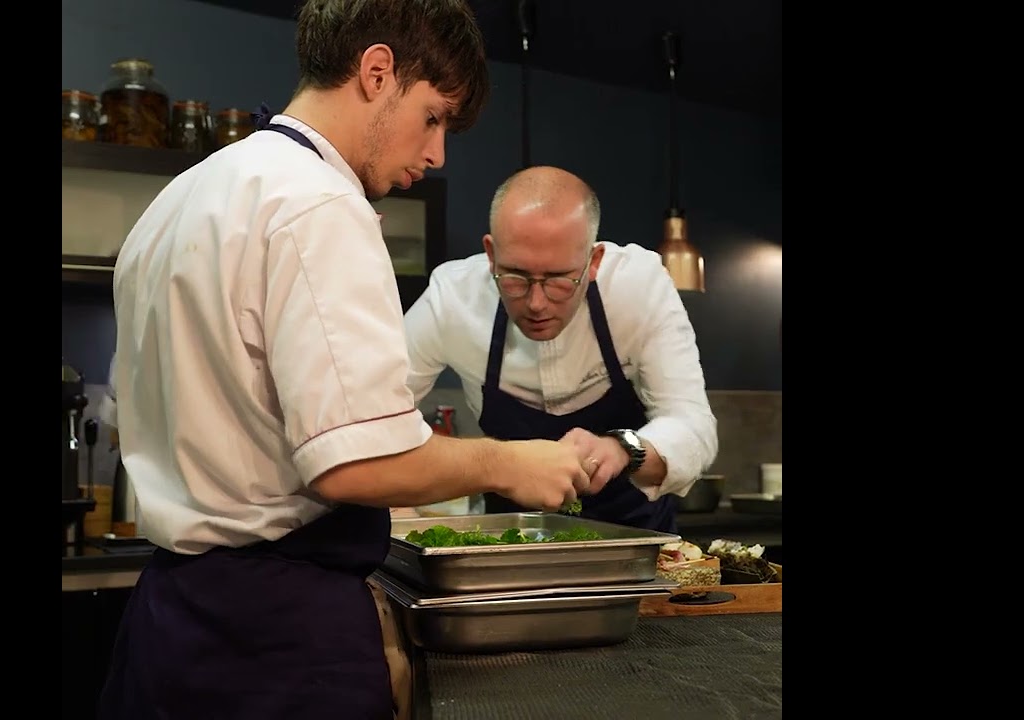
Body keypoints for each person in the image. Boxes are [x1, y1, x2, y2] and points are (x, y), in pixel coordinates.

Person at [97, 3, 597, 719]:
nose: (438, 154)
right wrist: (510, 463)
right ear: (377, 71)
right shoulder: (320, 205)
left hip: (168, 624)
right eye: (433, 117)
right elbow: (354, 464)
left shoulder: (179, 199)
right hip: (276, 645)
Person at [403, 165, 719, 535]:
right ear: (490, 254)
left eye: (559, 280)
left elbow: (694, 425)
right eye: (516, 277)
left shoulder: (638, 289)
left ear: (594, 262)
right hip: (512, 542)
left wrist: (622, 449)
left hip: (635, 541)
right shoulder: (452, 299)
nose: (537, 304)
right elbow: (373, 413)